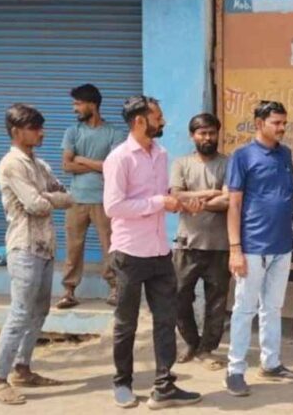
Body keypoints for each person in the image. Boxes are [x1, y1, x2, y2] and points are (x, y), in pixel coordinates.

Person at [103, 95, 202, 408]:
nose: (163, 122)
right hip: (129, 253)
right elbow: (113, 206)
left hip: (160, 251)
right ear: (139, 121)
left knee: (165, 320)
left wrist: (181, 201)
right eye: (157, 117)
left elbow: (161, 195)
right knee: (126, 323)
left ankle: (164, 386)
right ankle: (122, 383)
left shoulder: (161, 154)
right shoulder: (119, 158)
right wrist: (160, 202)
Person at [0, 104, 72, 405]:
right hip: (24, 247)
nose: (41, 133)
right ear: (16, 132)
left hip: (45, 246)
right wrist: (48, 198)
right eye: (34, 128)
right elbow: (35, 205)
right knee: (21, 312)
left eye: (40, 127)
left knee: (39, 310)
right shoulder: (12, 164)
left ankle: (22, 369)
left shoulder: (39, 164)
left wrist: (46, 197)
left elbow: (66, 196)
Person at [225, 101, 293, 397]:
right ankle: (235, 370)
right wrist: (235, 249)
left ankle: (271, 364)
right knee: (244, 309)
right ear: (259, 124)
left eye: (284, 123)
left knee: (273, 307)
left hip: (281, 245)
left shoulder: (285, 154)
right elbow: (234, 204)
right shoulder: (242, 156)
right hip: (252, 246)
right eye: (276, 123)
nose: (282, 128)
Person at [170, 113, 230, 370]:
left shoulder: (228, 164)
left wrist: (194, 202)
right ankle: (191, 342)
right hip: (187, 244)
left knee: (216, 302)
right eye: (202, 133)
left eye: (211, 133)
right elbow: (175, 197)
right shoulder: (181, 164)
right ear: (192, 136)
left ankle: (207, 349)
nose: (207, 138)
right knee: (178, 297)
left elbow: (228, 200)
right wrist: (210, 193)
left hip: (219, 245)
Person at [58, 84, 125, 309]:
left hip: (105, 200)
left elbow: (112, 167)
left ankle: (115, 288)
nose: (74, 108)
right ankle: (69, 291)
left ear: (92, 104)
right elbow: (66, 165)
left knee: (111, 245)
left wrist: (81, 159)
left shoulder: (114, 133)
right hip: (76, 199)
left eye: (78, 103)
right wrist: (98, 165)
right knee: (73, 247)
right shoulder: (72, 131)